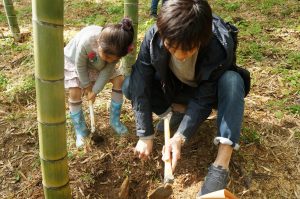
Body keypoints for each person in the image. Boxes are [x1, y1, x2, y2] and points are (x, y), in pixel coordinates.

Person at [122, 0, 250, 196]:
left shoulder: (219, 45)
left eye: (188, 49)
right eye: (172, 48)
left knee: (232, 81)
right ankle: (179, 112)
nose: (180, 56)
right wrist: (144, 135)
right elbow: (141, 82)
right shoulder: (154, 36)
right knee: (130, 84)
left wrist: (179, 138)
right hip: (175, 89)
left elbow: (204, 98)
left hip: (207, 92)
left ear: (202, 39)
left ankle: (221, 164)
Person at [64, 18, 134, 148]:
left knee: (119, 80)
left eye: (113, 59)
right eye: (107, 56)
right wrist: (87, 86)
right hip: (76, 62)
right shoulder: (87, 42)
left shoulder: (114, 52)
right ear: (98, 43)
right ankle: (81, 130)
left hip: (99, 66)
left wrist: (95, 91)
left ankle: (115, 121)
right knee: (75, 91)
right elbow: (80, 66)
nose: (109, 60)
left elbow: (106, 72)